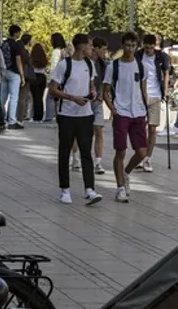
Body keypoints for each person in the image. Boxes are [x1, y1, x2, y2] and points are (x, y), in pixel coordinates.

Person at [49, 33, 103, 206]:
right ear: (80, 46)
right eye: (89, 45)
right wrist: (72, 97)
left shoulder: (90, 64)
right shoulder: (64, 65)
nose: (92, 48)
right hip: (67, 115)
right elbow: (52, 89)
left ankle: (90, 189)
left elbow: (91, 85)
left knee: (86, 152)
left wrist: (93, 93)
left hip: (85, 114)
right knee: (64, 152)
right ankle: (65, 189)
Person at [103, 32, 149, 203]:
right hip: (121, 112)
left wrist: (146, 106)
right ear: (122, 46)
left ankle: (126, 172)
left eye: (133, 45)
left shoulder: (141, 66)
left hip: (138, 112)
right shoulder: (113, 66)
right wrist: (113, 110)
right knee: (120, 150)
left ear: (137, 46)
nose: (130, 48)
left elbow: (143, 88)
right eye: (127, 45)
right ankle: (120, 187)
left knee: (142, 151)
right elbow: (105, 90)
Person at [135, 34, 171, 172]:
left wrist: (166, 90)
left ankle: (147, 159)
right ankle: (140, 156)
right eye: (146, 48)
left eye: (151, 48)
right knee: (139, 129)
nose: (149, 50)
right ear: (143, 45)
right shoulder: (138, 55)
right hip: (140, 96)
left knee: (152, 129)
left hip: (155, 95)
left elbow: (166, 73)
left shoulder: (161, 56)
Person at [0, 26, 28, 131]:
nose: (19, 34)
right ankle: (11, 120)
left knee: (2, 97)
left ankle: (0, 119)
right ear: (15, 33)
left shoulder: (4, 44)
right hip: (14, 72)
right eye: (18, 32)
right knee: (13, 97)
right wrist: (22, 75)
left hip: (4, 71)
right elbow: (18, 60)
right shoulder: (16, 45)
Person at [89, 37, 110, 174]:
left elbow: (104, 81)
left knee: (99, 130)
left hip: (97, 101)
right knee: (81, 132)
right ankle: (75, 157)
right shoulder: (86, 62)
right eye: (103, 49)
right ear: (95, 48)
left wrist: (102, 93)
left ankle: (98, 161)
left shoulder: (103, 64)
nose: (105, 52)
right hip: (84, 101)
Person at [46, 33, 66, 123]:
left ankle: (49, 117)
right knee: (58, 98)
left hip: (56, 78)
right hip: (62, 78)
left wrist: (50, 80)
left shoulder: (55, 52)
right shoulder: (63, 51)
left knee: (50, 97)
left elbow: (54, 67)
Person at [28, 41, 49, 123]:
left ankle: (35, 116)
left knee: (34, 98)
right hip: (42, 78)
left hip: (34, 77)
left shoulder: (32, 58)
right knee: (40, 98)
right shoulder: (44, 58)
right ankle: (40, 116)